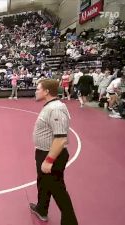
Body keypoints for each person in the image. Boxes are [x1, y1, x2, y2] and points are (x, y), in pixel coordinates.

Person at [30, 79, 78, 225]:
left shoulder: (55, 109)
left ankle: (70, 222)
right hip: (44, 152)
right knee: (43, 184)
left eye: (38, 89)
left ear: (46, 91)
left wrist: (49, 160)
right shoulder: (50, 106)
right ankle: (41, 209)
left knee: (58, 190)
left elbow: (61, 138)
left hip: (52, 155)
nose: (36, 91)